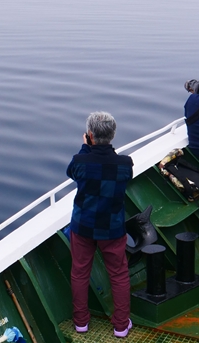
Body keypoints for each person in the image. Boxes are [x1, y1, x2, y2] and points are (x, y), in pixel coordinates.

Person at [66, 111, 133, 338]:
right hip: (112, 228)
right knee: (119, 274)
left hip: (83, 226)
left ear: (90, 135)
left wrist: (86, 148)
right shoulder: (125, 164)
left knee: (79, 272)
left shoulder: (80, 161)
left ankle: (81, 322)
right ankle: (121, 326)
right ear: (113, 135)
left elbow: (72, 173)